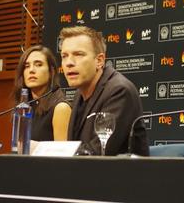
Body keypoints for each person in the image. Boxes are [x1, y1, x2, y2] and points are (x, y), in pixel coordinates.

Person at [59, 26, 149, 156]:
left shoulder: (120, 91)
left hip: (122, 175)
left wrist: (52, 151)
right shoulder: (80, 94)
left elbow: (99, 152)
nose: (69, 63)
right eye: (64, 56)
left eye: (78, 54)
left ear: (99, 61)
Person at [14, 45, 71, 141]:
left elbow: (62, 154)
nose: (31, 70)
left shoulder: (61, 109)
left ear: (51, 72)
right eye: (27, 66)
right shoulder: (24, 108)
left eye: (38, 65)